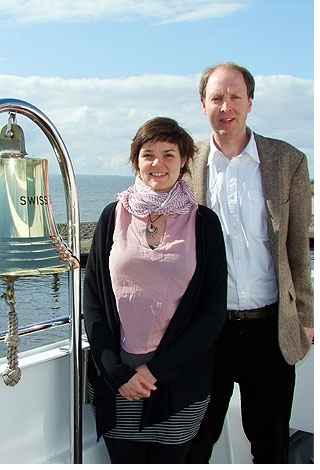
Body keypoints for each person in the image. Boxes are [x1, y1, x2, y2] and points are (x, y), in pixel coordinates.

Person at [185, 62, 314, 464]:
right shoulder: (186, 163)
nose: (226, 106)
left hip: (270, 330)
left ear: (250, 102)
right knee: (196, 441)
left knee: (271, 445)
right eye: (217, 97)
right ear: (203, 105)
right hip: (208, 331)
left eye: (235, 96)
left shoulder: (287, 160)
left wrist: (306, 317)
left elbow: (297, 249)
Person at [83, 117, 227, 464]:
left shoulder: (203, 223)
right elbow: (94, 300)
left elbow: (212, 312)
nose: (157, 164)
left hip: (178, 383)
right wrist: (118, 374)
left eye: (168, 154)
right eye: (148, 154)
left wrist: (154, 370)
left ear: (183, 162)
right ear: (136, 161)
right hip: (119, 385)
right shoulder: (112, 215)